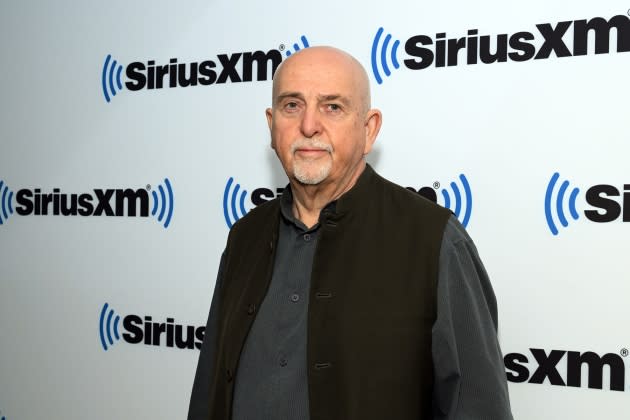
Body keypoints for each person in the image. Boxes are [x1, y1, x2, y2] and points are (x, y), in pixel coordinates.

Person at [188, 46, 513, 420]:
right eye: (292, 105)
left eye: (332, 107)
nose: (308, 125)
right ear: (271, 123)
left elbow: (477, 407)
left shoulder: (434, 241)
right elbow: (209, 389)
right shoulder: (244, 236)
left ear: (368, 128)